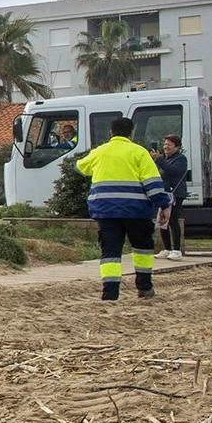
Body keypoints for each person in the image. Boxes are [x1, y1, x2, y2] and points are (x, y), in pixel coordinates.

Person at [77, 116, 170, 302]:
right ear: (132, 133)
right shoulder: (139, 152)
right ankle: (144, 288)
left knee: (110, 253)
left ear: (111, 132)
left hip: (106, 212)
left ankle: (110, 294)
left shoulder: (100, 151)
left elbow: (80, 167)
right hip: (136, 211)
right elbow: (152, 182)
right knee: (142, 249)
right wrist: (163, 204)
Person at [155, 133, 189, 260]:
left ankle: (176, 250)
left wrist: (159, 159)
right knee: (163, 221)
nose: (166, 146)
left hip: (175, 195)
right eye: (165, 144)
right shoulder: (164, 158)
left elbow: (173, 171)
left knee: (173, 220)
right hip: (164, 194)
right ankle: (167, 248)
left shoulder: (180, 159)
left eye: (169, 144)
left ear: (177, 147)